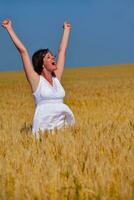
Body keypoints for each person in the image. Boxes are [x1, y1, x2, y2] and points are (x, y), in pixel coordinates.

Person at [2, 19, 75, 136]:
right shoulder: (36, 80)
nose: (53, 59)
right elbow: (23, 52)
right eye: (49, 57)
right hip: (44, 129)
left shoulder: (57, 78)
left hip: (63, 127)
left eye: (53, 56)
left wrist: (66, 30)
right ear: (42, 63)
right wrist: (9, 28)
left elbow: (62, 51)